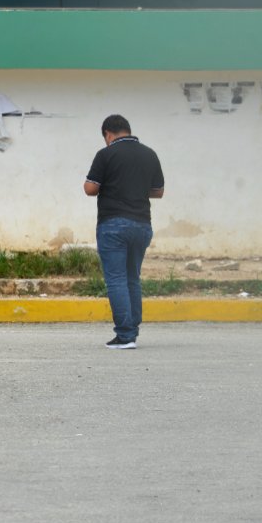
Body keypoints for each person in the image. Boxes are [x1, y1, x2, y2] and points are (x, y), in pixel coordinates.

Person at [84, 114, 165, 349]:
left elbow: (90, 188)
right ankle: (132, 329)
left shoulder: (106, 154)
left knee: (116, 279)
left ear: (108, 134)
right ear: (127, 130)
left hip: (113, 225)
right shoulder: (149, 153)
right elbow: (158, 191)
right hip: (142, 225)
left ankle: (125, 335)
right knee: (132, 277)